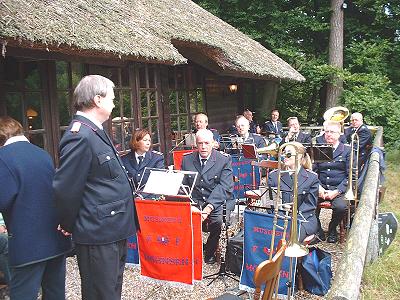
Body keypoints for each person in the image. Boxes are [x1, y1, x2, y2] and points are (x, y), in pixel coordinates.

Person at [53, 75, 137, 300]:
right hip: (97, 232)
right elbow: (67, 187)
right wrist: (67, 224)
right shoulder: (80, 135)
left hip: (111, 229)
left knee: (111, 291)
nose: (114, 103)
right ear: (98, 100)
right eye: (112, 98)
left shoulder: (95, 130)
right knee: (100, 294)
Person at [0, 116, 72, 299]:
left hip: (27, 243)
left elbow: (4, 199)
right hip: (54, 239)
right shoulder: (42, 153)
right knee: (55, 293)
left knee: (23, 295)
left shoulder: (4, 158)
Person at [181, 129, 233, 264]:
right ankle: (191, 251)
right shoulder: (187, 160)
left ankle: (209, 251)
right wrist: (191, 205)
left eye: (206, 143)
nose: (203, 147)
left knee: (218, 222)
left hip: (215, 200)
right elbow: (184, 185)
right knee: (184, 219)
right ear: (195, 144)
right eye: (200, 143)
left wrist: (208, 208)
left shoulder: (223, 160)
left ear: (213, 143)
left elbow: (225, 187)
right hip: (196, 199)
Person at [268, 142, 320, 243]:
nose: (284, 157)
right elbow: (271, 204)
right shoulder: (274, 176)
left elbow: (309, 206)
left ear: (299, 156)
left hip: (303, 219)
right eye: (284, 153)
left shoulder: (312, 177)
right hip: (280, 217)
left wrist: (293, 220)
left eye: (288, 154)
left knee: (291, 237)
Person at [313, 120, 351, 243]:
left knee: (341, 207)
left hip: (338, 188)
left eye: (332, 132)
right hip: (321, 187)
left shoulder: (346, 150)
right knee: (304, 200)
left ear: (339, 134)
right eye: (326, 131)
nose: (328, 134)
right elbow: (313, 172)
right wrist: (318, 187)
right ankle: (317, 229)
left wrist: (337, 191)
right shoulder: (320, 149)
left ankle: (332, 228)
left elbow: (351, 175)